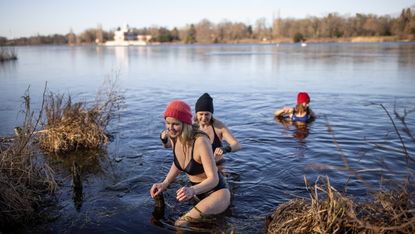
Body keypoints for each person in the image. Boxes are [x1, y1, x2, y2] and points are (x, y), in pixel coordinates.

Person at [151, 100, 231, 226]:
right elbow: (178, 163)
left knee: (180, 223)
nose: (170, 128)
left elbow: (214, 179)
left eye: (175, 124)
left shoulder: (200, 141)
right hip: (197, 194)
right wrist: (165, 183)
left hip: (217, 193)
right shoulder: (174, 136)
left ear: (185, 123)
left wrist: (192, 190)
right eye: (167, 123)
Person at [194, 93, 241, 163]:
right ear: (196, 114)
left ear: (211, 114)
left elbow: (237, 145)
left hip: (217, 164)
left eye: (207, 114)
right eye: (201, 114)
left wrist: (224, 149)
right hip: (198, 166)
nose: (204, 118)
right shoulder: (191, 127)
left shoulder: (218, 126)